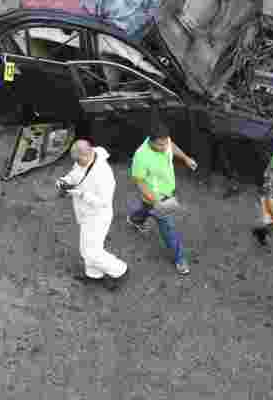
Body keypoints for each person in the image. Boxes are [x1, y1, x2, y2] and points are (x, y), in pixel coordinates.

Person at [56, 139, 128, 291]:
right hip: (85, 213)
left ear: (87, 155)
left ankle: (119, 270)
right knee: (86, 247)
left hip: (98, 217)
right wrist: (65, 180)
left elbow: (103, 201)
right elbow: (75, 174)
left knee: (91, 251)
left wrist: (80, 194)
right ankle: (94, 275)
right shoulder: (83, 160)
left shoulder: (103, 173)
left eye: (78, 160)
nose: (76, 163)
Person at [126, 123, 197, 276]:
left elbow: (171, 145)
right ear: (150, 141)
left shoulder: (165, 142)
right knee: (169, 229)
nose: (165, 147)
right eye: (160, 144)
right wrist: (156, 202)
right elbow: (140, 182)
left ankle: (135, 219)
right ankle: (180, 259)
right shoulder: (141, 156)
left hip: (166, 191)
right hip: (156, 198)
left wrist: (185, 158)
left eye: (166, 143)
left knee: (145, 209)